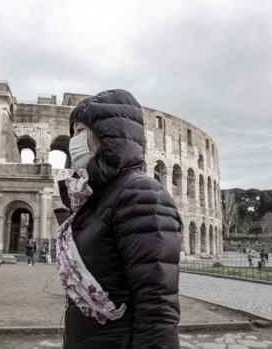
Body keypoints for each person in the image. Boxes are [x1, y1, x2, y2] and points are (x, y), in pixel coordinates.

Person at [56, 89, 182, 348]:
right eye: (73, 132)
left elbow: (157, 304)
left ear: (108, 134)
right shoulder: (95, 198)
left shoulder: (141, 195)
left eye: (81, 131)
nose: (74, 141)